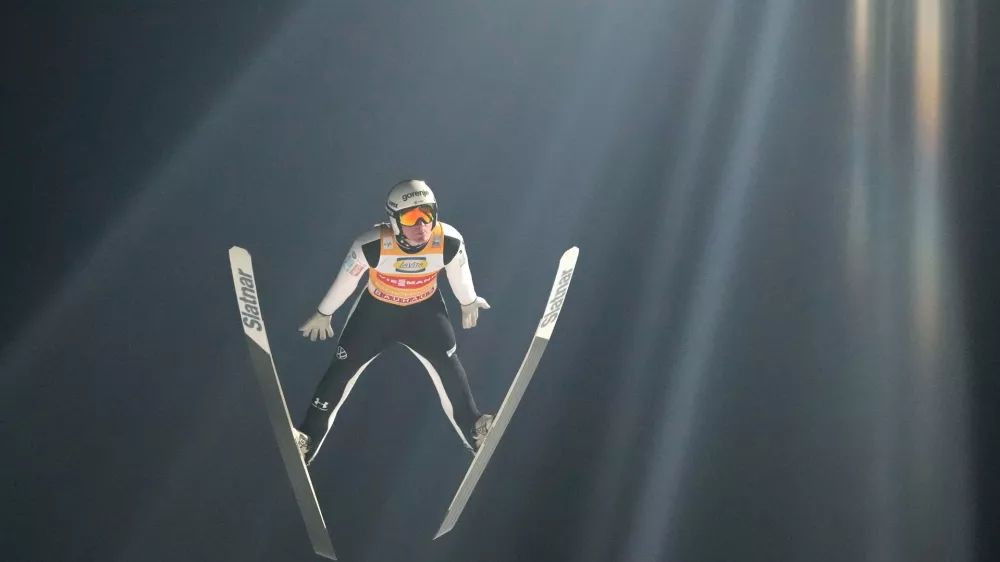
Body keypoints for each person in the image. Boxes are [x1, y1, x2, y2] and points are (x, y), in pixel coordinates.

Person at [293, 179, 493, 465]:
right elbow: (346, 282)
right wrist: (325, 312)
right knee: (341, 370)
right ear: (394, 220)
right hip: (376, 315)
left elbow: (459, 274)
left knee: (448, 365)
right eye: (411, 217)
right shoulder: (372, 245)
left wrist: (468, 300)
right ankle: (307, 439)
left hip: (424, 313)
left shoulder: (449, 241)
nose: (422, 225)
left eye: (427, 213)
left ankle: (474, 429)